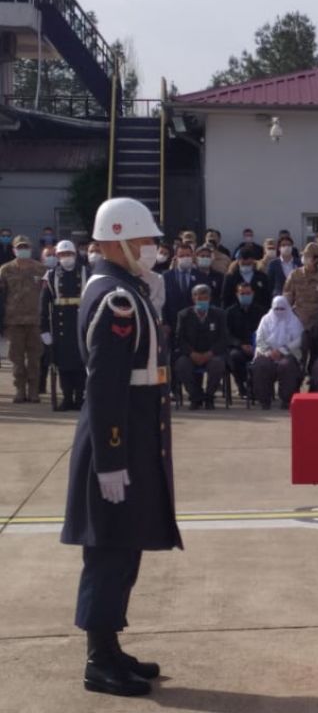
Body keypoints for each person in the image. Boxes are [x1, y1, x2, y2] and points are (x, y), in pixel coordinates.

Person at [61, 197, 181, 697]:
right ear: (117, 239)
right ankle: (98, 661)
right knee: (109, 549)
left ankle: (110, 647)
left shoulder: (127, 289)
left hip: (131, 435)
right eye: (144, 240)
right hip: (118, 440)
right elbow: (106, 386)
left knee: (124, 546)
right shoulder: (117, 299)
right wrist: (111, 460)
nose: (153, 248)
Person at [40, 241, 89, 410]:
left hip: (80, 323)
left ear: (75, 255)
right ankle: (67, 397)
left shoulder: (86, 272)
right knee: (63, 365)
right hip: (60, 327)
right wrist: (44, 329)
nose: (66, 258)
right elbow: (44, 305)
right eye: (62, 255)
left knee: (81, 365)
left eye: (69, 254)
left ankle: (80, 397)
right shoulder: (51, 275)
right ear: (58, 256)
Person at [0, 235, 47, 402]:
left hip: (35, 321)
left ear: (31, 248)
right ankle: (20, 390)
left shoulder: (41, 269)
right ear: (13, 250)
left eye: (25, 247)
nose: (23, 250)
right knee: (17, 360)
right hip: (13, 322)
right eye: (19, 247)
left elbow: (48, 294)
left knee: (34, 359)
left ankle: (33, 391)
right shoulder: (5, 270)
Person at [173, 284, 229, 410]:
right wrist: (192, 353)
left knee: (217, 364)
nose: (202, 301)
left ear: (209, 298)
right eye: (199, 298)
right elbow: (179, 339)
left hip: (212, 354)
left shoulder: (219, 314)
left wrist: (210, 353)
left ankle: (209, 397)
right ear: (193, 298)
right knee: (181, 364)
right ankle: (195, 397)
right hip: (191, 354)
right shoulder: (184, 315)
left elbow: (224, 338)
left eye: (205, 298)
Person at [252, 297, 304, 409]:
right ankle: (264, 400)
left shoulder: (294, 320)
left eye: (282, 308)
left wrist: (282, 350)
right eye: (277, 309)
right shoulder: (265, 320)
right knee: (261, 366)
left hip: (288, 354)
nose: (279, 311)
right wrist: (269, 352)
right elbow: (259, 339)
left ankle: (286, 400)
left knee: (287, 366)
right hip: (267, 353)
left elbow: (299, 339)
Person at [283, 242, 318, 351]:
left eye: (307, 256)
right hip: (299, 322)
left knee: (317, 354)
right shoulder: (295, 275)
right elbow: (287, 298)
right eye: (304, 256)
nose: (304, 258)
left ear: (316, 259)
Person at [225, 281, 266, 398]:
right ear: (237, 294)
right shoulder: (230, 312)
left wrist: (256, 346)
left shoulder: (261, 312)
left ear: (252, 293)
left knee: (263, 359)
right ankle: (242, 386)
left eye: (248, 293)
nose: (245, 296)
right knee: (234, 357)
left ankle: (255, 386)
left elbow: (266, 332)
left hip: (258, 347)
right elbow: (227, 334)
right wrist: (240, 345)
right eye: (242, 293)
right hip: (238, 347)